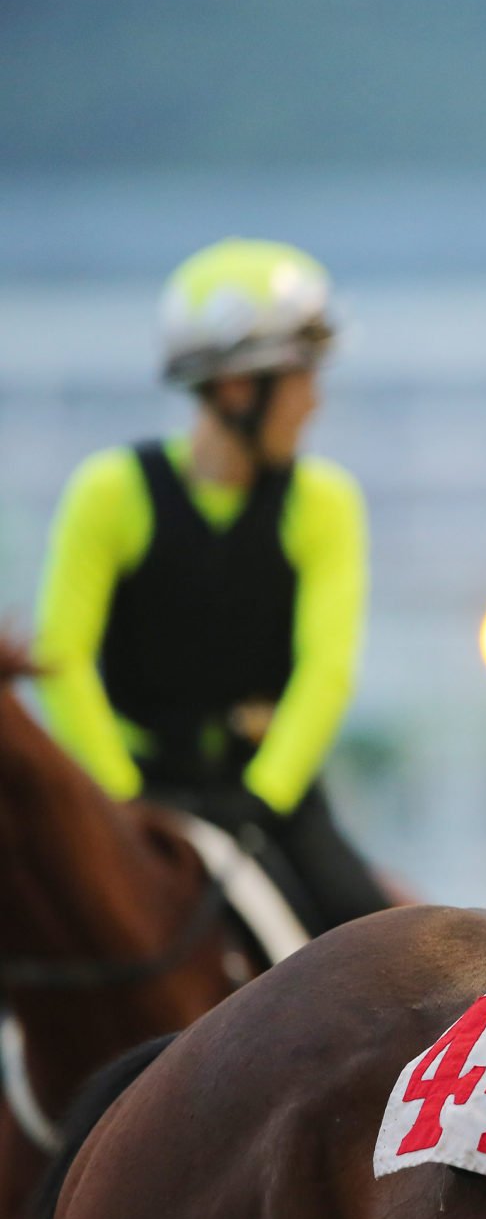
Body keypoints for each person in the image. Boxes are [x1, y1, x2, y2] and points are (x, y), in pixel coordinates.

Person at [33, 237, 391, 937]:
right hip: (134, 790)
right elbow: (61, 659)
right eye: (301, 377)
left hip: (269, 800)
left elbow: (327, 672)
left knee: (380, 951)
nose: (314, 401)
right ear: (236, 388)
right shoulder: (109, 493)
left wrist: (262, 797)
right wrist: (124, 800)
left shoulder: (325, 502)